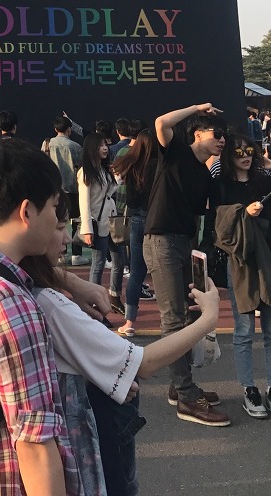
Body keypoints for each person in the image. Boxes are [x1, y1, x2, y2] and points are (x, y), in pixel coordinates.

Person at [0, 137, 111, 496]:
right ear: (27, 211)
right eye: (54, 208)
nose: (58, 221)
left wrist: (70, 282)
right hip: (8, 481)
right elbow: (35, 446)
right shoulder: (9, 306)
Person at [22, 190, 221, 496]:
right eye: (59, 225)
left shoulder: (21, 286)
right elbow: (144, 363)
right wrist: (209, 318)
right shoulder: (53, 307)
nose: (68, 237)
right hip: (99, 442)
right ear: (27, 217)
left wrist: (68, 279)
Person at [143, 102, 230, 426]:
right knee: (173, 318)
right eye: (216, 134)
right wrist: (196, 108)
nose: (222, 140)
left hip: (184, 244)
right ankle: (186, 395)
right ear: (198, 134)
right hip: (161, 241)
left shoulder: (206, 175)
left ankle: (179, 385)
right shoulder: (176, 152)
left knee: (188, 312)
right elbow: (161, 121)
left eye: (224, 136)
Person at [208, 134, 271, 418]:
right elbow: (218, 226)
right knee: (244, 329)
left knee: (269, 330)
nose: (245, 156)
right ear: (229, 156)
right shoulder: (221, 185)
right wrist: (243, 213)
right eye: (239, 152)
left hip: (267, 259)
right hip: (239, 262)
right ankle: (249, 388)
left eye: (249, 151)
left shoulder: (265, 182)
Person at [113, 130, 159, 337]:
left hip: (136, 220)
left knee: (136, 272)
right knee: (163, 271)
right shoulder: (157, 165)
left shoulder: (131, 165)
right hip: (156, 220)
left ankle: (130, 321)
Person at [78, 132, 124, 315]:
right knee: (98, 265)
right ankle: (93, 304)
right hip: (98, 225)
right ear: (92, 148)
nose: (105, 148)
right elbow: (84, 203)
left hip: (110, 222)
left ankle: (114, 296)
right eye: (101, 145)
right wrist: (87, 229)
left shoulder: (103, 170)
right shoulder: (86, 172)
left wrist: (118, 180)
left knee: (119, 259)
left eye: (106, 145)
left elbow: (107, 194)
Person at [48, 115, 87, 267]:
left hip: (55, 189)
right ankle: (77, 254)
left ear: (55, 129)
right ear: (69, 129)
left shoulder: (48, 144)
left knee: (58, 222)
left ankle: (60, 254)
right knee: (76, 221)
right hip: (73, 189)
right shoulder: (76, 146)